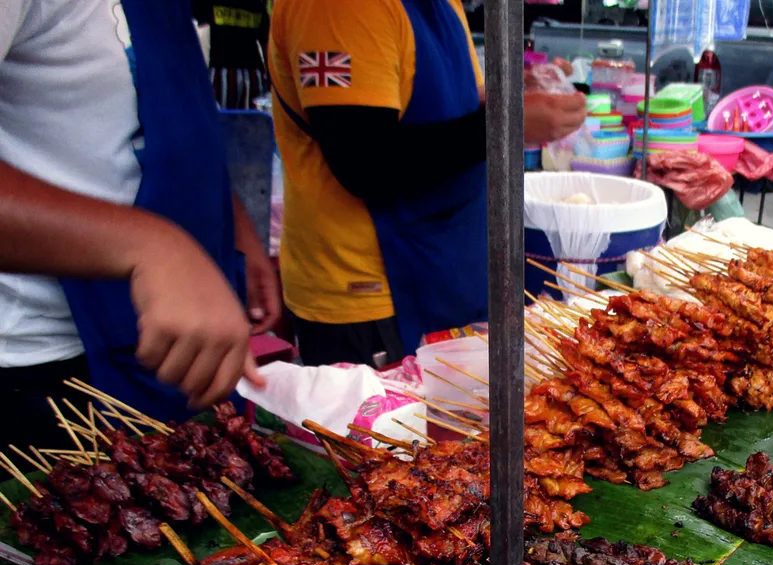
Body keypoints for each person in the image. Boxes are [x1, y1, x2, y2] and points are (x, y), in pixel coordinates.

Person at [0, 0, 281, 449]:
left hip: (182, 347)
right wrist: (150, 247)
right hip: (56, 374)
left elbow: (150, 117)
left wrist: (233, 223)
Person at [269, 0, 587, 366]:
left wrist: (513, 94)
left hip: (447, 271)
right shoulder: (339, 8)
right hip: (373, 298)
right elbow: (362, 159)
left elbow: (439, 102)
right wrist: (504, 122)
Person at [192, 0, 271, 109]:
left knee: (223, 121)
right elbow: (267, 44)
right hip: (252, 76)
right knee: (250, 122)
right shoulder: (257, 5)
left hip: (222, 72)